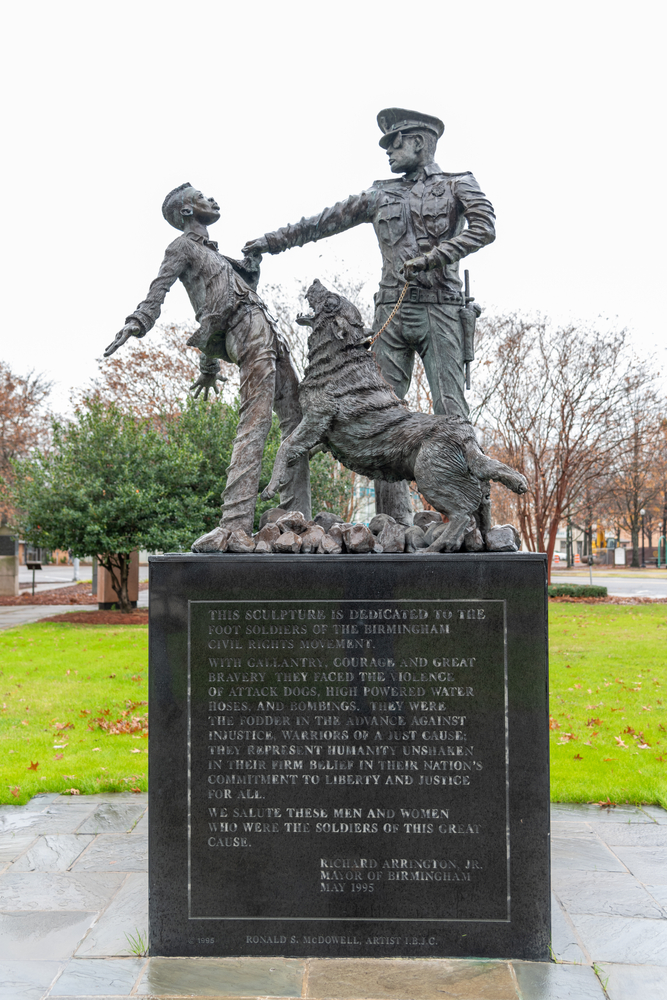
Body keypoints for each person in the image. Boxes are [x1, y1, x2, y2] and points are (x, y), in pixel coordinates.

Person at [243, 108, 495, 524]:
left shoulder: (458, 184)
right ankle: (391, 523)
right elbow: (324, 222)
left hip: (443, 311)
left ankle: (474, 517)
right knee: (378, 418)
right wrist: (271, 242)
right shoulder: (381, 194)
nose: (390, 152)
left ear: (420, 141)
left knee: (452, 410)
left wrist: (436, 257)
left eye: (396, 143)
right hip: (391, 315)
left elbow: (484, 228)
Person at [105, 183, 311, 535]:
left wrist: (251, 268)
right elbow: (159, 292)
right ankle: (234, 523)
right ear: (187, 211)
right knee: (256, 418)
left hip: (268, 329)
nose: (212, 199)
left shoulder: (219, 256)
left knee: (297, 420)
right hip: (246, 329)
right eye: (202, 197)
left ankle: (296, 515)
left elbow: (215, 303)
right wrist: (136, 324)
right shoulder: (181, 247)